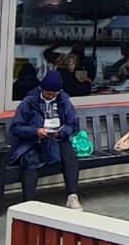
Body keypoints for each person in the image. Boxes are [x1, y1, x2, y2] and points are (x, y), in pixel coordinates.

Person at [9, 70, 82, 209]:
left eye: (54, 94)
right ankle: (28, 203)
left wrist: (61, 133)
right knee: (30, 160)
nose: (51, 96)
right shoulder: (29, 102)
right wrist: (35, 131)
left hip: (56, 139)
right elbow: (16, 127)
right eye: (48, 93)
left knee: (70, 155)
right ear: (41, 89)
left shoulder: (63, 100)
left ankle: (72, 196)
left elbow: (72, 125)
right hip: (34, 141)